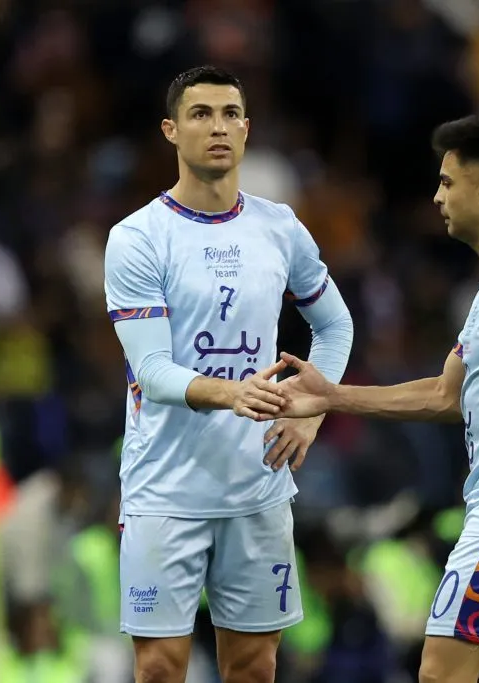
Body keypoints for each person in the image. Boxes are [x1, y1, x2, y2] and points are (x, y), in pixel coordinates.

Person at [259, 115, 479, 682]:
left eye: (448, 182)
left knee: (440, 674)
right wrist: (330, 395)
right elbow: (446, 395)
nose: (437, 196)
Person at [103, 65, 354, 683]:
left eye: (230, 114)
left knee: (253, 666)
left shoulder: (279, 226)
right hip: (165, 490)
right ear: (171, 130)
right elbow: (154, 372)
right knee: (160, 668)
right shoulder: (137, 237)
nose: (218, 127)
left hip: (257, 487)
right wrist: (233, 392)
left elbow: (337, 328)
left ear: (247, 129)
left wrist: (313, 411)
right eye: (200, 114)